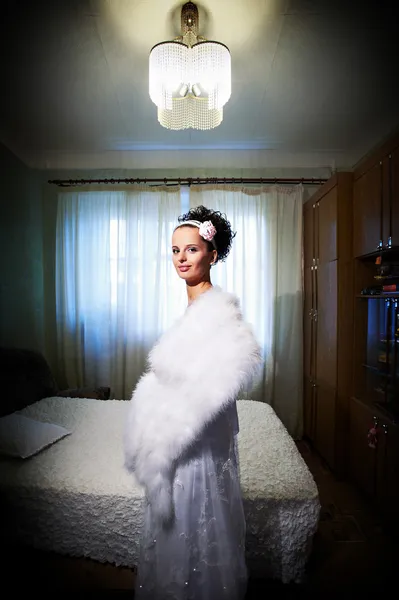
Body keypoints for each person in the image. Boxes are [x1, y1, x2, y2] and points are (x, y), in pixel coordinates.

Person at [124, 205, 262, 600]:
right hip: (185, 424)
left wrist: (178, 412)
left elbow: (226, 372)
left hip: (198, 428)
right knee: (177, 502)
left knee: (197, 501)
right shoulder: (195, 305)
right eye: (174, 250)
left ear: (213, 254)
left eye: (191, 250)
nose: (181, 258)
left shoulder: (219, 308)